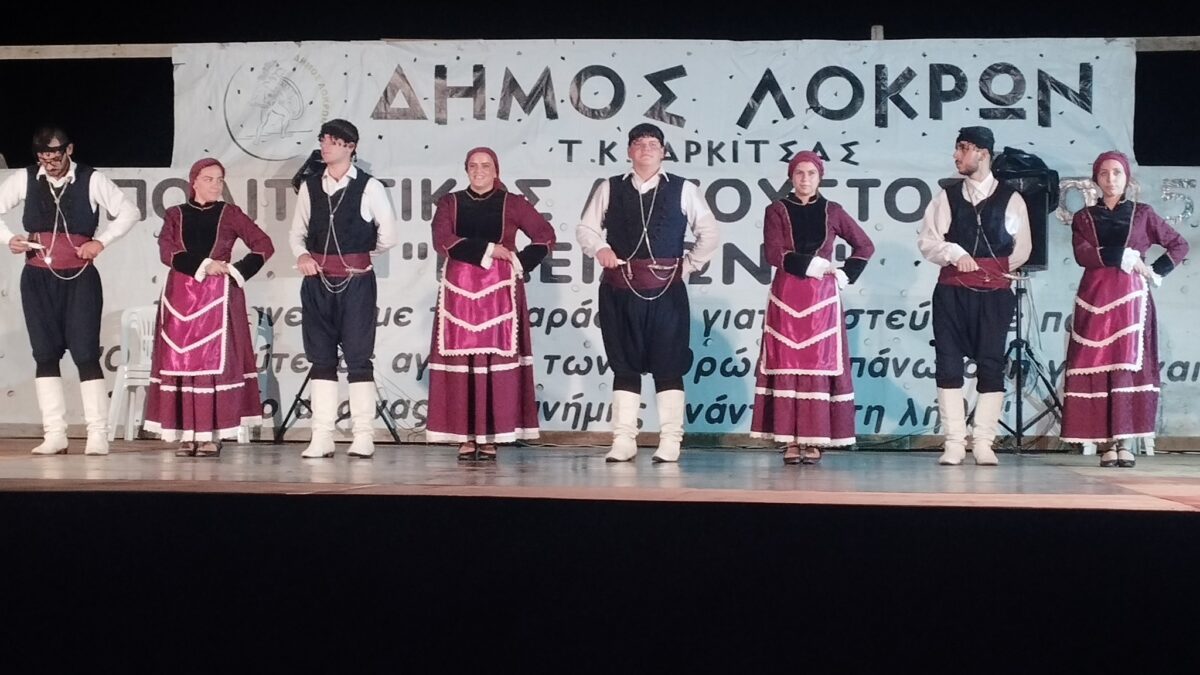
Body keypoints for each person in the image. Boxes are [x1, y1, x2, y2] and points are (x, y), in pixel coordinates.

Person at [576, 123, 719, 463]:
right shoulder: (610, 187)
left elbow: (710, 233)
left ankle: (670, 440)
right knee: (624, 365)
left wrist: (688, 265)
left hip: (666, 292)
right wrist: (600, 248)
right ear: (629, 151)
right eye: (638, 143)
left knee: (668, 365)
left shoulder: (683, 188)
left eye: (653, 144)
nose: (646, 148)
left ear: (664, 151)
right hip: (619, 290)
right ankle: (624, 440)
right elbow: (585, 228)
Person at [0, 126, 140, 455]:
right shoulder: (25, 178)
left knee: (85, 353)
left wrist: (101, 241)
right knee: (44, 354)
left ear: (69, 150)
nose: (49, 165)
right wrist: (9, 239)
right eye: (43, 159)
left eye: (55, 158)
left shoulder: (91, 179)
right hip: (37, 278)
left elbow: (129, 212)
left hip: (79, 277)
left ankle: (97, 433)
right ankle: (55, 434)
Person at [1060, 151, 1189, 467]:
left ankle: (1126, 442)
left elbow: (1179, 244)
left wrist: (1154, 271)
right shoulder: (1084, 217)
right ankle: (1106, 444)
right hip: (1095, 297)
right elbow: (1083, 254)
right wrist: (1124, 256)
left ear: (1127, 177)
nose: (1110, 179)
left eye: (1116, 172)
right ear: (1096, 179)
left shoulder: (1142, 214)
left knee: (1127, 367)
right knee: (1098, 367)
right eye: (1104, 173)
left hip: (1132, 300)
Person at [426, 148, 556, 460]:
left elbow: (545, 235)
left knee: (493, 360)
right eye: (473, 165)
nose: (479, 170)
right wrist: (489, 250)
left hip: (500, 291)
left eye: (485, 165)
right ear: (466, 169)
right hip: (459, 291)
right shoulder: (450, 202)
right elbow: (442, 239)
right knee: (463, 361)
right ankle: (465, 435)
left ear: (496, 169)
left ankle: (491, 436)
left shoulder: (513, 203)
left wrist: (518, 263)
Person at [749, 151, 875, 465]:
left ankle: (815, 438)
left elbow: (864, 245)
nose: (805, 179)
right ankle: (790, 440)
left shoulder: (833, 211)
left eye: (811, 173)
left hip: (822, 299)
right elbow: (774, 253)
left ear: (820, 177)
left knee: (819, 365)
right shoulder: (776, 209)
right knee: (786, 363)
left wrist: (845, 274)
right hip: (786, 294)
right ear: (791, 177)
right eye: (799, 173)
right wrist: (814, 264)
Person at [143, 158, 275, 457]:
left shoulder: (230, 214)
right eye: (209, 179)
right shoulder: (175, 214)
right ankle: (187, 434)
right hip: (180, 296)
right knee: (181, 362)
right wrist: (204, 265)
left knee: (214, 363)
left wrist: (235, 270)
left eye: (220, 179)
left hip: (219, 297)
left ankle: (211, 435)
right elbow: (167, 251)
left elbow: (263, 244)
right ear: (194, 182)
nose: (216, 185)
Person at [918, 126, 1031, 466]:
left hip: (994, 295)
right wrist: (954, 252)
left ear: (983, 153)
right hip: (952, 293)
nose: (956, 156)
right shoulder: (947, 196)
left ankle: (983, 441)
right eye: (957, 149)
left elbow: (1022, 249)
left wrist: (990, 270)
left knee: (991, 363)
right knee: (948, 362)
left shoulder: (1011, 198)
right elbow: (928, 241)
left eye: (963, 148)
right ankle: (954, 441)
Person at [288, 119, 397, 459]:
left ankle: (363, 435)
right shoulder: (310, 186)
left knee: (358, 357)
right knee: (321, 358)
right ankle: (322, 435)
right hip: (317, 282)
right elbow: (297, 232)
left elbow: (388, 236)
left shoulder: (369, 186)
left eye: (333, 141)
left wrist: (359, 257)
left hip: (356, 283)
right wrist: (302, 255)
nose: (325, 146)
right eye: (323, 139)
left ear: (350, 146)